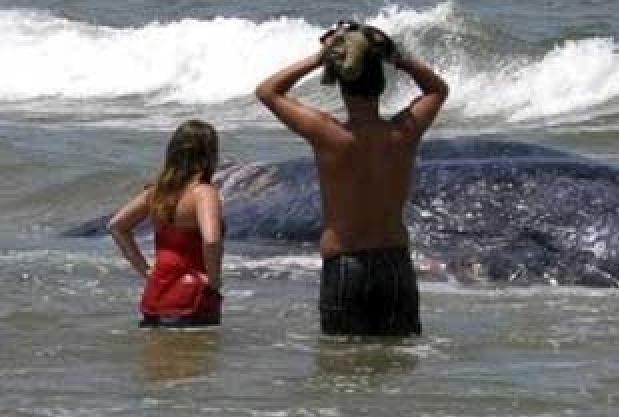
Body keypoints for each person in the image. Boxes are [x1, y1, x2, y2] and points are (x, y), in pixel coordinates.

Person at [255, 23, 448, 337]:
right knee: (398, 367)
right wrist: (395, 56)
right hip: (394, 263)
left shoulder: (328, 135)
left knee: (342, 369)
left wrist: (319, 57)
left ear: (341, 85)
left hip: (346, 264)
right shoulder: (403, 133)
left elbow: (268, 91)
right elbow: (437, 90)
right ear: (382, 84)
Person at [108, 120, 224, 327]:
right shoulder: (203, 193)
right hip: (192, 297)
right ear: (209, 154)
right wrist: (214, 281)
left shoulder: (156, 193)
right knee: (195, 358)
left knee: (159, 358)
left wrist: (145, 270)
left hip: (155, 295)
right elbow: (212, 240)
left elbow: (117, 226)